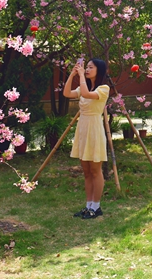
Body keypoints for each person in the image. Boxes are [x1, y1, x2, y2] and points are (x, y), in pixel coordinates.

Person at [63, 57, 110, 219]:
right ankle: (88, 205)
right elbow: (67, 93)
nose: (87, 69)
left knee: (96, 171)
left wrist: (81, 75)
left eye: (91, 67)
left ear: (99, 70)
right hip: (83, 129)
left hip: (94, 130)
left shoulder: (103, 88)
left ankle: (96, 207)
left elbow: (85, 94)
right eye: (86, 67)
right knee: (87, 171)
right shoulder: (84, 86)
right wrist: (72, 74)